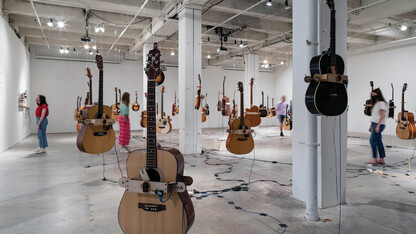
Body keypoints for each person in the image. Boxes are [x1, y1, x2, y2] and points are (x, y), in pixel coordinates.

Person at [366, 88, 387, 165]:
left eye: (374, 94)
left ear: (378, 94)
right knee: (378, 141)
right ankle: (381, 159)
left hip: (379, 124)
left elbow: (382, 115)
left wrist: (377, 126)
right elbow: (375, 116)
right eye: (372, 94)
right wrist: (371, 125)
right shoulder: (376, 104)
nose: (372, 96)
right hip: (375, 124)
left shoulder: (382, 103)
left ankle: (374, 159)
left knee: (372, 140)